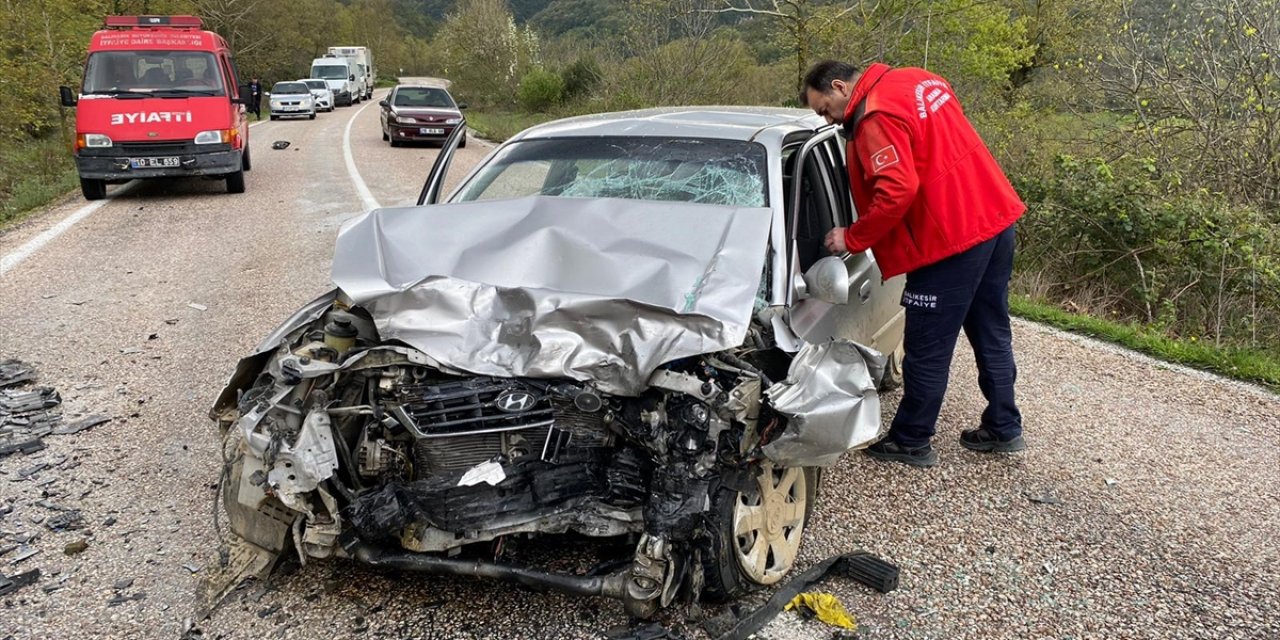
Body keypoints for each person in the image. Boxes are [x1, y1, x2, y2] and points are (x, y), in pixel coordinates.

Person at [800, 60, 1026, 468]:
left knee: (926, 346)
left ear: (839, 86)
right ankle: (1004, 426)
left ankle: (911, 439)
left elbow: (897, 191)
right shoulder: (918, 79)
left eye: (825, 108)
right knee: (991, 328)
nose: (830, 119)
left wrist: (852, 238)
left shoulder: (874, 116)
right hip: (992, 216)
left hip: (949, 240)